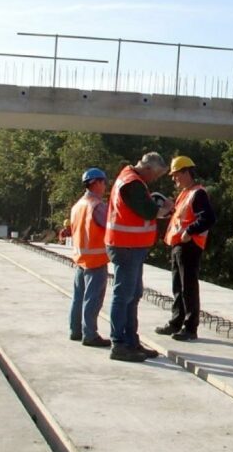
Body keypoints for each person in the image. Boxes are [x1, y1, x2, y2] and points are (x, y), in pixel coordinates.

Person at [105, 152, 172, 362]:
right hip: (127, 246)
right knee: (124, 295)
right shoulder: (132, 183)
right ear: (149, 169)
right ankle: (120, 343)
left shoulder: (132, 180)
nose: (156, 180)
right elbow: (147, 211)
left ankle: (130, 341)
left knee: (132, 295)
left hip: (130, 246)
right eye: (157, 175)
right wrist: (164, 209)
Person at [154, 156, 216, 342]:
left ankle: (190, 327)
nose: (174, 179)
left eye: (176, 175)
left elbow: (208, 218)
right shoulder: (186, 193)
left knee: (188, 287)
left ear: (186, 172)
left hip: (189, 246)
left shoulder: (198, 194)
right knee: (178, 287)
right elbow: (179, 216)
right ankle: (176, 322)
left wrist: (189, 231)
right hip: (179, 245)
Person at [69, 168, 111, 348]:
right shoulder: (97, 205)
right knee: (92, 299)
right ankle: (90, 335)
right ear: (96, 183)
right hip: (96, 260)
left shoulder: (78, 205)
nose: (105, 186)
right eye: (103, 182)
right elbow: (110, 225)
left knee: (78, 298)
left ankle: (75, 330)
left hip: (80, 259)